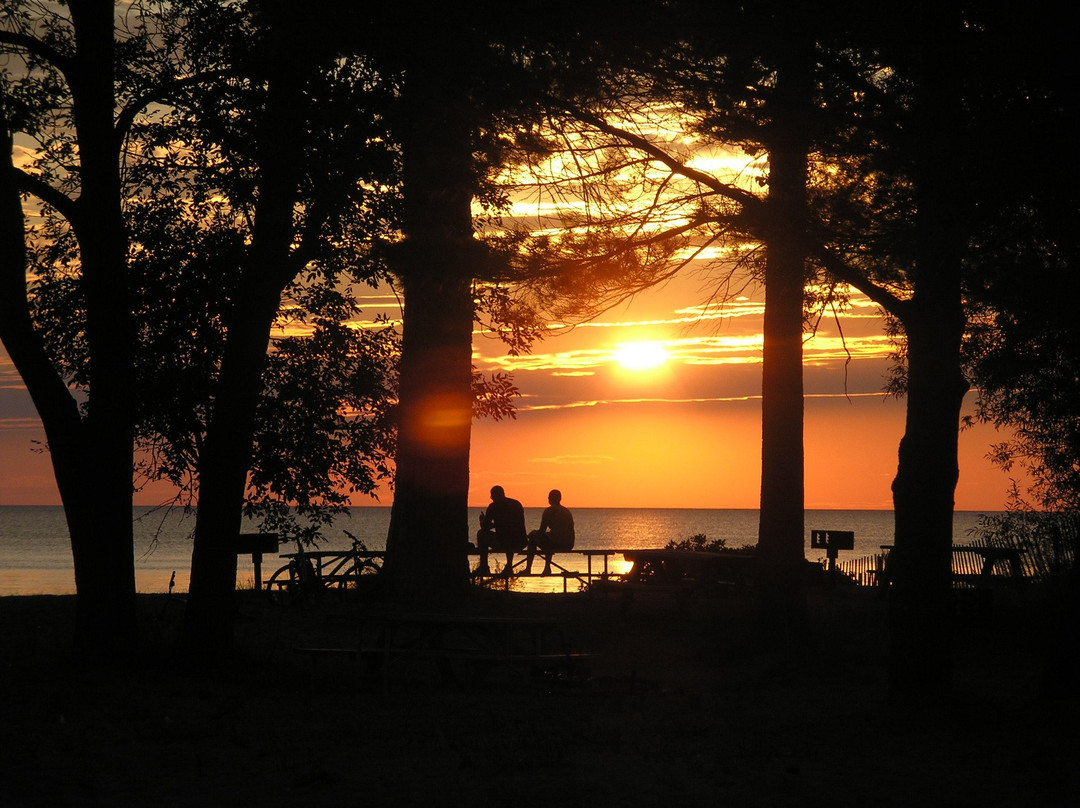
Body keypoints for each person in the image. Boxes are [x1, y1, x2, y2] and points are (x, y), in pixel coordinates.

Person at [476, 485, 528, 576]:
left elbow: (485, 527)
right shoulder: (516, 504)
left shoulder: (493, 506)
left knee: (481, 534)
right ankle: (509, 566)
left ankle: (484, 566)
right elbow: (510, 524)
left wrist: (482, 520)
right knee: (510, 536)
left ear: (493, 496)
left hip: (504, 542)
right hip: (521, 542)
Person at [525, 489, 575, 575]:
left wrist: (532, 534)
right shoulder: (566, 511)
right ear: (560, 499)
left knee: (534, 538)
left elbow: (541, 531)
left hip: (556, 543)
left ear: (549, 499)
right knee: (548, 540)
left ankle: (529, 568)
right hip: (569, 544)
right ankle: (547, 567)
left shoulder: (549, 511)